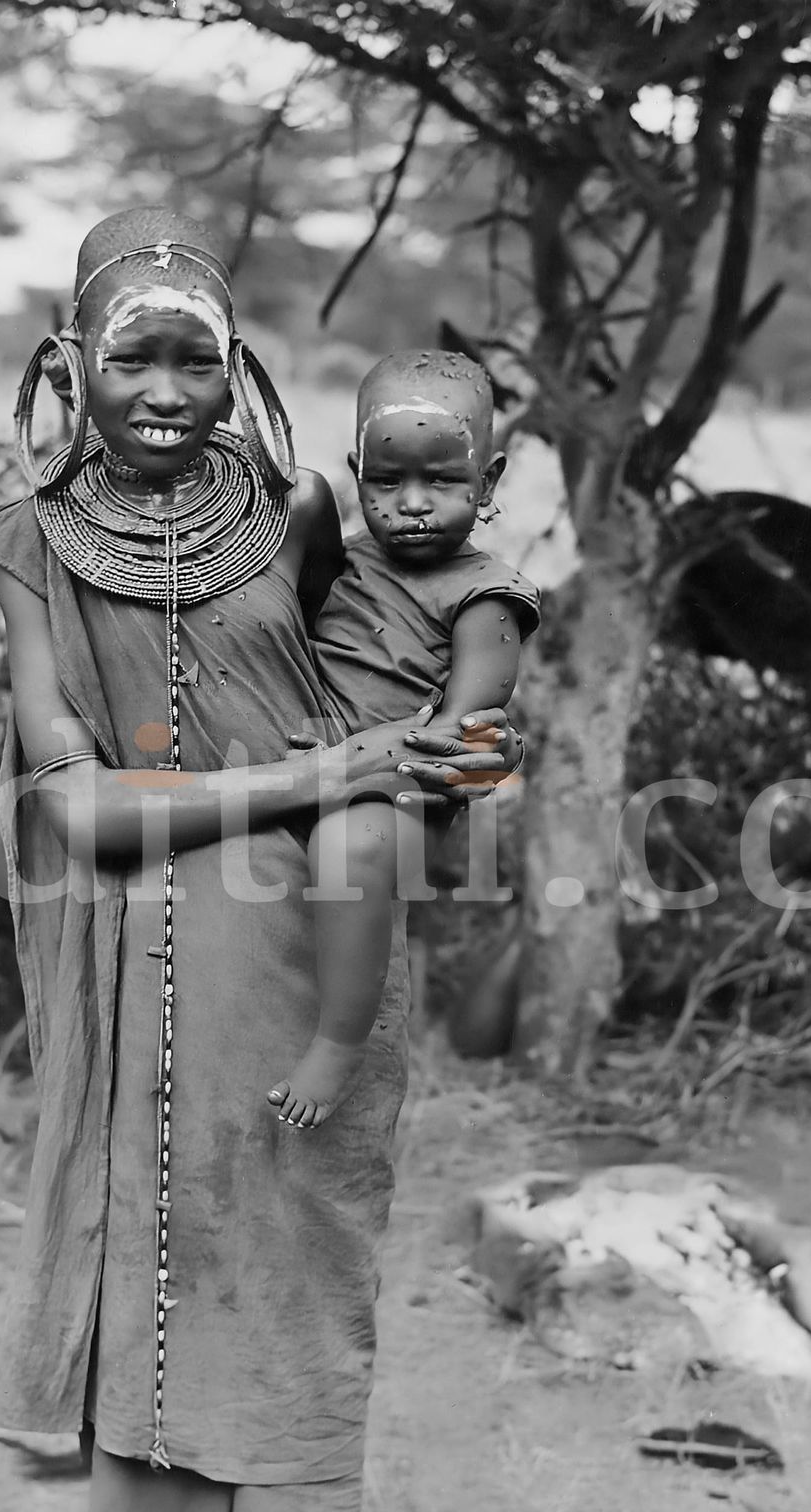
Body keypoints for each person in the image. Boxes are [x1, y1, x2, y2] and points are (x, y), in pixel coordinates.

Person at [0, 206, 524, 1512]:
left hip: (307, 976)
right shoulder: (27, 545)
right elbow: (74, 807)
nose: (167, 394)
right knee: (154, 1315)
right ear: (73, 361)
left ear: (240, 373)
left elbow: (391, 683)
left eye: (197, 365)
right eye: (133, 361)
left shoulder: (301, 511)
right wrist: (320, 773)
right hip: (128, 980)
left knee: (302, 1309)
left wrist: (468, 741)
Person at [267, 351, 540, 1130]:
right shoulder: (340, 565)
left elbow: (465, 730)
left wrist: (349, 767)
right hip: (318, 762)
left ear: (487, 482)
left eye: (444, 483)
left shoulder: (485, 597)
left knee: (347, 853)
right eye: (386, 484)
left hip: (401, 790)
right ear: (358, 474)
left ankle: (338, 1042)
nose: (412, 505)